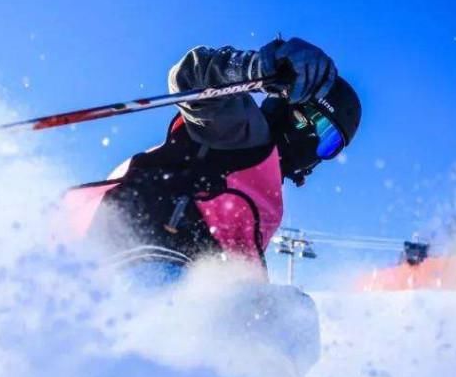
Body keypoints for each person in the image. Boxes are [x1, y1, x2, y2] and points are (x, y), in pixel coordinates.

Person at [66, 37, 361, 270]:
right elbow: (190, 78)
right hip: (143, 248)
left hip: (178, 279)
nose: (314, 144)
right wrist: (257, 67)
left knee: (286, 313)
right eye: (319, 126)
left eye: (330, 144)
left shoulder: (267, 195)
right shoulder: (243, 131)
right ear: (292, 108)